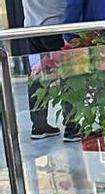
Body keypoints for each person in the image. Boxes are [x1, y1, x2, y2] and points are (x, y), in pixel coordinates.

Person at [24, 0, 82, 140]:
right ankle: (72, 126)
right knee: (67, 74)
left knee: (37, 75)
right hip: (56, 27)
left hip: (31, 27)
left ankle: (38, 125)